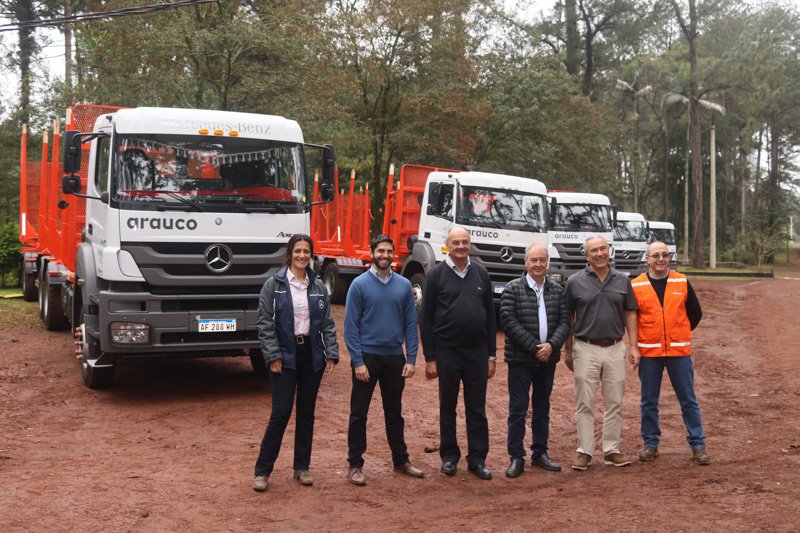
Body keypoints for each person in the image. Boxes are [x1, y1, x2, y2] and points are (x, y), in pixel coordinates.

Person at [252, 234, 338, 492]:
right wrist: (273, 355)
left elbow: (327, 322)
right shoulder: (274, 285)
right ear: (290, 254)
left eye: (306, 252)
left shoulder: (318, 286)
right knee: (281, 412)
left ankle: (302, 467)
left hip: (311, 355)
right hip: (284, 356)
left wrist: (331, 352)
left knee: (306, 413)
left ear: (312, 255)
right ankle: (262, 471)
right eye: (298, 251)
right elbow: (264, 323)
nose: (302, 256)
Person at [344, 234, 425, 485]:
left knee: (394, 413)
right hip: (366, 358)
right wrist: (357, 361)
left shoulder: (403, 285)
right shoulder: (358, 285)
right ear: (372, 253)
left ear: (393, 255)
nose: (385, 255)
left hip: (394, 358)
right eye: (381, 251)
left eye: (389, 251)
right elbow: (350, 327)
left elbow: (411, 324)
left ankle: (401, 461)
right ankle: (355, 464)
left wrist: (411, 358)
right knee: (359, 413)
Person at [420, 226, 497, 480]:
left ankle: (477, 459)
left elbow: (490, 317)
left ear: (470, 243)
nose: (461, 246)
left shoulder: (482, 273)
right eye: (456, 243)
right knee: (448, 406)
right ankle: (449, 457)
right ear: (447, 245)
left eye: (465, 242)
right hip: (447, 351)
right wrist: (430, 358)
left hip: (476, 352)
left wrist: (491, 355)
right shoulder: (436, 275)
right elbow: (426, 317)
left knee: (476, 408)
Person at [564, 235, 639, 471]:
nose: (599, 254)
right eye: (593, 250)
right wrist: (568, 349)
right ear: (587, 255)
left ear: (609, 251)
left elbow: (630, 312)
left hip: (616, 347)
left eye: (603, 249)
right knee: (584, 402)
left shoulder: (622, 280)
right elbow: (568, 317)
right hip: (585, 347)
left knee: (615, 401)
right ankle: (584, 451)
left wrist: (633, 345)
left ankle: (611, 450)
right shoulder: (574, 282)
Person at [631, 241, 710, 465]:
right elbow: (632, 319)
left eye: (665, 255)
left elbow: (695, 313)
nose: (661, 259)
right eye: (655, 255)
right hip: (649, 353)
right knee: (648, 401)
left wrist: (678, 331)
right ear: (647, 259)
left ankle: (698, 445)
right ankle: (651, 444)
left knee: (688, 400)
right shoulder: (636, 286)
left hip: (679, 352)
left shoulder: (681, 281)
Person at [499, 244, 570, 478]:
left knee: (542, 408)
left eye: (542, 260)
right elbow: (509, 322)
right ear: (525, 262)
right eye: (534, 260)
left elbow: (565, 322)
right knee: (517, 410)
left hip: (547, 360)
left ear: (547, 262)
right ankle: (516, 456)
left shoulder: (558, 290)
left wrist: (551, 346)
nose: (538, 264)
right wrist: (535, 348)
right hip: (521, 359)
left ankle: (540, 453)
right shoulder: (512, 289)